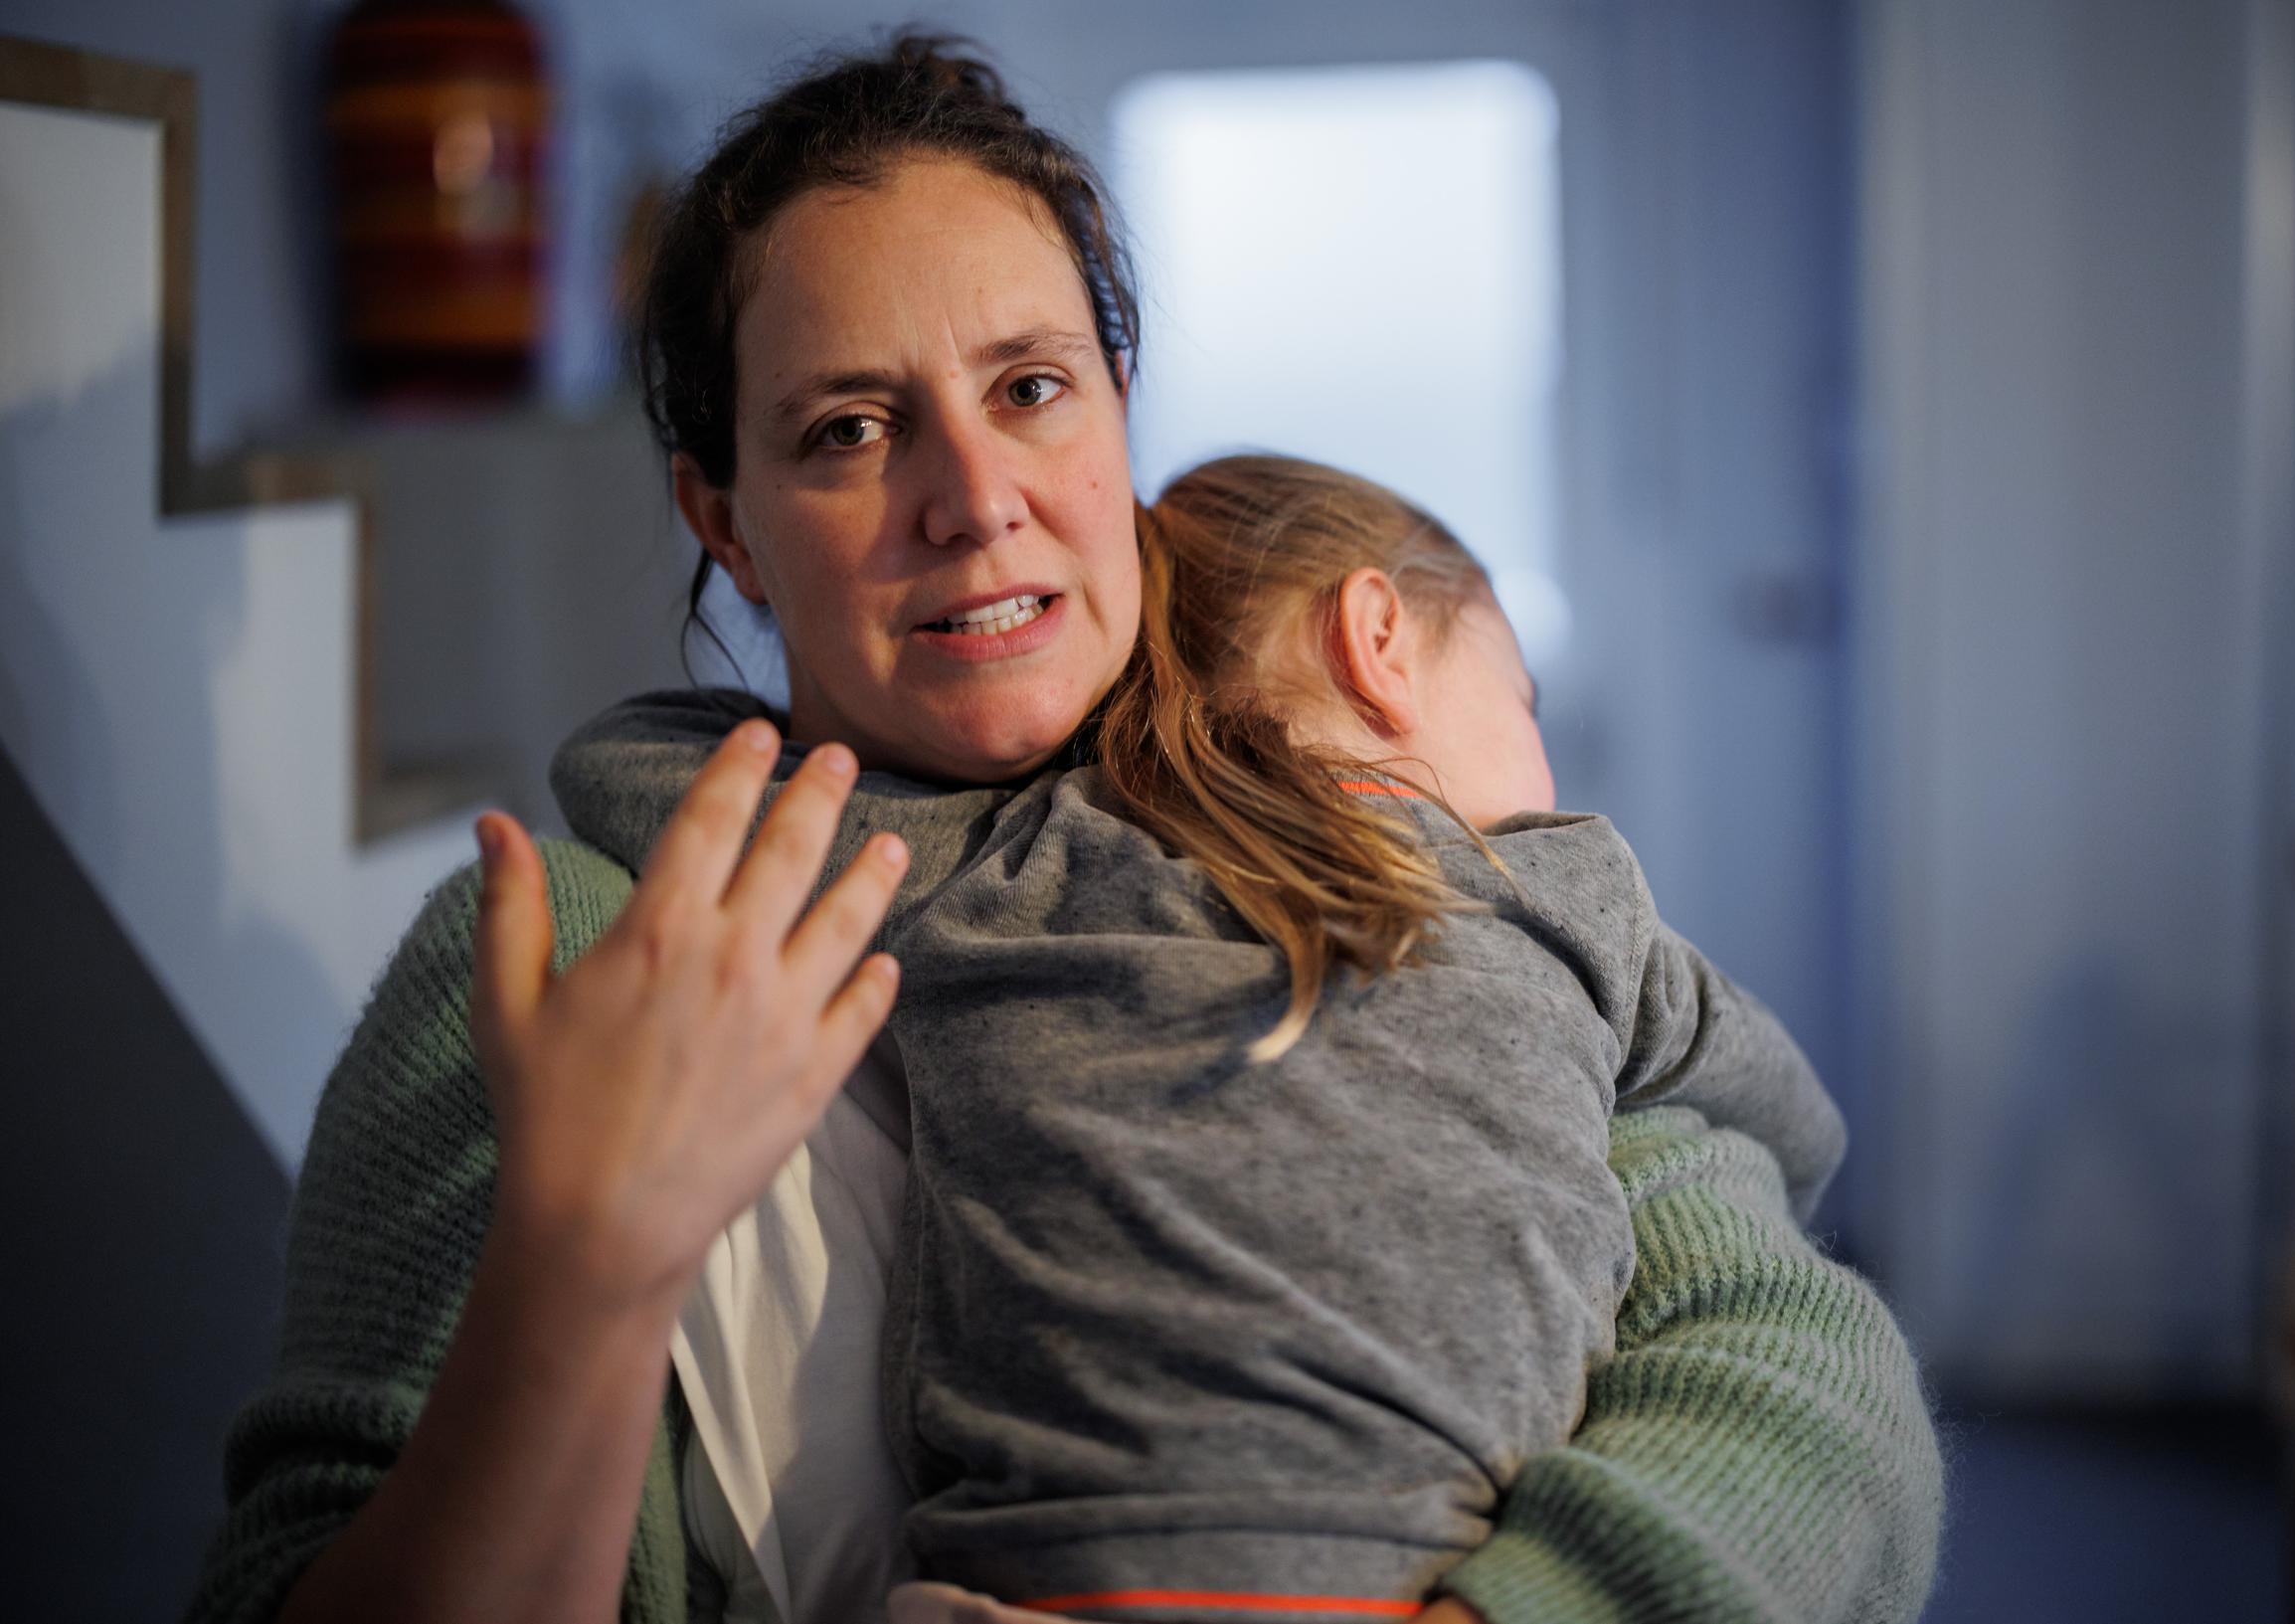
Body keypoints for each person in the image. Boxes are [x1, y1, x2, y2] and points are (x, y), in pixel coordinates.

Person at [181, 33, 1943, 1624]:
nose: (974, 500)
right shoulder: (561, 956)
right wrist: (579, 1269)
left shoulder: (1334, 836)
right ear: (723, 523)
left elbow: (1803, 1384)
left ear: (1114, 411)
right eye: (850, 429)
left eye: (1031, 388)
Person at [544, 451, 1864, 1620]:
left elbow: (624, 760)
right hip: (1422, 1571)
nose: (1544, 770)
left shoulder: (1000, 865)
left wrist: (1010, 761)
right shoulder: (1561, 887)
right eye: (1516, 696)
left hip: (1033, 1578)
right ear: (1377, 636)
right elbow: (1783, 1106)